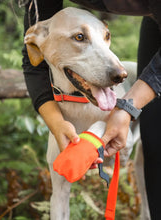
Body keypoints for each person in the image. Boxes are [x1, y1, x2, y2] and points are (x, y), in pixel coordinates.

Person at [22, 0, 161, 218]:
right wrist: (57, 123)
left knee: (154, 145)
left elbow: (120, 159)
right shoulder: (41, 28)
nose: (118, 72)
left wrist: (99, 130)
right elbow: (33, 65)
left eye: (106, 36)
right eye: (79, 37)